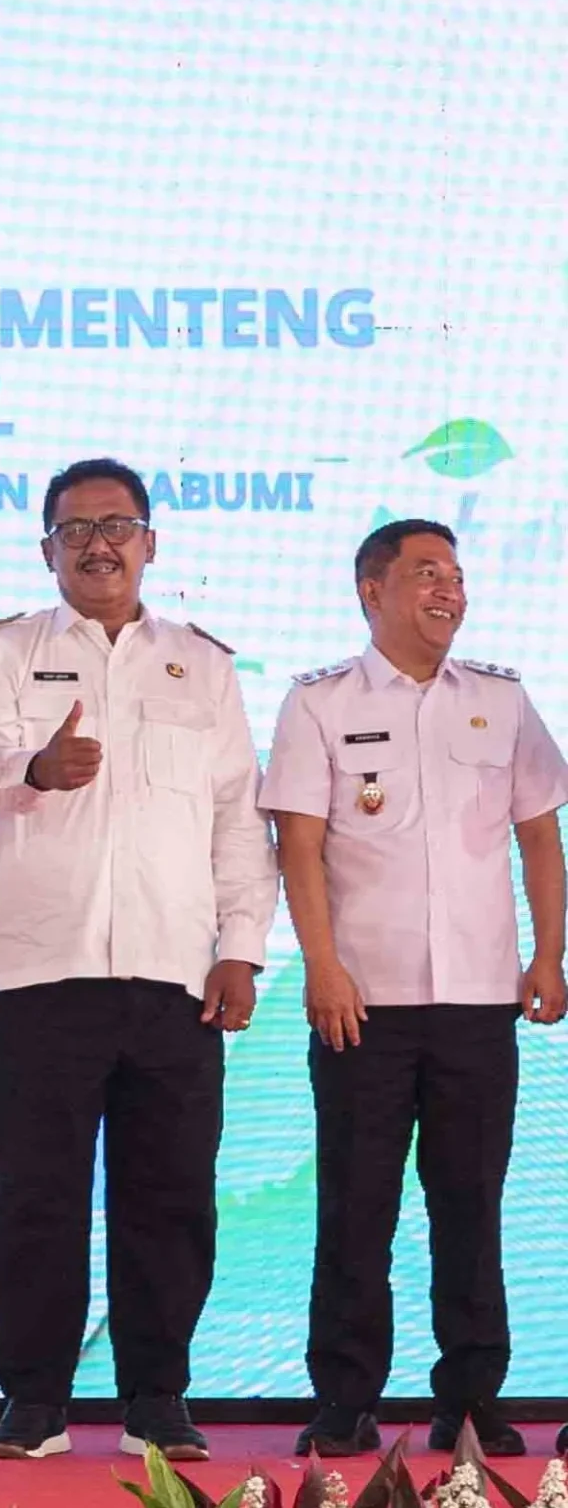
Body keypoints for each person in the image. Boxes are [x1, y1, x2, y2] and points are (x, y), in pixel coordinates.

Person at [0, 457, 275, 1463]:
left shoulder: (201, 663)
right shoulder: (4, 650)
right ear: (46, 548)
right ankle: (34, 1401)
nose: (98, 544)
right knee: (31, 1198)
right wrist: (35, 767)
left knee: (170, 1198)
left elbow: (235, 816)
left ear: (150, 543)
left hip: (175, 977)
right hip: (42, 975)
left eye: (117, 525)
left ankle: (155, 1399)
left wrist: (242, 949)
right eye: (76, 529)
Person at [260, 520, 567, 1461]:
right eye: (427, 573)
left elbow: (539, 835)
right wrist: (320, 964)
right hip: (363, 1001)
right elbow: (299, 843)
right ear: (372, 590)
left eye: (457, 575)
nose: (449, 590)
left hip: (478, 998)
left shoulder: (500, 700)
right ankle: (345, 1399)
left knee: (470, 1206)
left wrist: (550, 954)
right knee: (356, 1208)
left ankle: (471, 1400)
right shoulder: (320, 701)